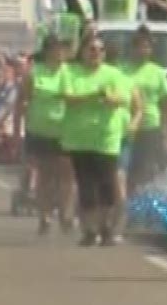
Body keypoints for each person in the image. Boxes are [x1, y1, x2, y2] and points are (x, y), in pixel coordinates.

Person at [59, 34, 143, 247]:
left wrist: (109, 99)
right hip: (79, 138)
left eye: (99, 50)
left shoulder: (114, 74)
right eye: (91, 49)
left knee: (106, 186)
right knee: (86, 186)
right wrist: (94, 95)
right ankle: (89, 230)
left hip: (106, 138)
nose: (95, 53)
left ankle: (105, 226)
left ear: (104, 54)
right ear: (83, 52)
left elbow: (123, 99)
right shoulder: (70, 73)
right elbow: (69, 98)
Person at [15, 34, 75, 236]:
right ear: (47, 52)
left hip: (65, 132)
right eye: (56, 49)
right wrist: (17, 132)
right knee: (45, 176)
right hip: (39, 131)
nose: (60, 54)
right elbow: (21, 103)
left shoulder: (71, 74)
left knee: (67, 176)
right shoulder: (34, 73)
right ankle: (45, 216)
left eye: (63, 50)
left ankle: (65, 214)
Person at [121, 26, 167, 193]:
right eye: (139, 46)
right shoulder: (121, 70)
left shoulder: (158, 72)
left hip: (150, 127)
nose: (143, 51)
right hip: (126, 128)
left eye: (147, 47)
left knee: (147, 170)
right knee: (126, 170)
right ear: (132, 48)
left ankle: (143, 205)